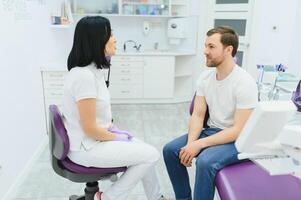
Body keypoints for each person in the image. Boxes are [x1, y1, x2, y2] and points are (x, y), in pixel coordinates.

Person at [62, 16, 167, 200]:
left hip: (94, 140)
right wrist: (118, 138)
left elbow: (97, 120)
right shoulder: (83, 76)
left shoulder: (92, 71)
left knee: (145, 150)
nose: (115, 39)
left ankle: (156, 197)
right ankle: (106, 197)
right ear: (96, 41)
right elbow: (90, 129)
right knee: (150, 155)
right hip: (87, 148)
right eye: (110, 34)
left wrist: (116, 133)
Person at [163, 26, 258, 200]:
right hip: (212, 131)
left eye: (211, 47)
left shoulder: (245, 83)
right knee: (171, 150)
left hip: (239, 140)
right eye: (206, 46)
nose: (205, 51)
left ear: (228, 50)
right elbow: (198, 115)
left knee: (206, 161)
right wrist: (190, 144)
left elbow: (238, 130)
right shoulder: (205, 78)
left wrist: (199, 145)